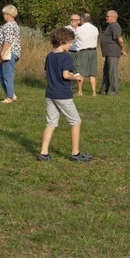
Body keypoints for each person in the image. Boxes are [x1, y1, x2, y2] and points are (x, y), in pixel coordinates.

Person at [37, 28, 93, 162]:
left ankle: (43, 153)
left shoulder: (49, 56)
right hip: (63, 95)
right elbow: (65, 75)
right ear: (62, 42)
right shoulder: (66, 57)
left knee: (51, 122)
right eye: (70, 42)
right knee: (76, 122)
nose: (71, 45)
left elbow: (45, 74)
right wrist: (76, 78)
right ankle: (76, 153)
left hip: (50, 94)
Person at [0, 5, 21, 103]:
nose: (3, 15)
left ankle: (9, 97)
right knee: (0, 74)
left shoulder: (9, 26)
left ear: (8, 14)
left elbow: (8, 40)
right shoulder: (13, 25)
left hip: (9, 53)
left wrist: (2, 53)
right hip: (11, 53)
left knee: (7, 75)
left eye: (4, 14)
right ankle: (11, 93)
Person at [99, 10, 127, 95]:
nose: (106, 18)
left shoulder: (115, 26)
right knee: (107, 71)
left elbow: (120, 39)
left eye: (107, 16)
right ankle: (104, 90)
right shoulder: (111, 26)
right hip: (108, 53)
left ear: (113, 17)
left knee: (112, 72)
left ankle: (114, 91)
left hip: (113, 53)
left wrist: (122, 49)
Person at [74, 13, 99, 96]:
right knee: (92, 72)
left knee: (81, 72)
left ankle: (80, 91)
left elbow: (74, 38)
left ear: (82, 20)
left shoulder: (79, 29)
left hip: (83, 51)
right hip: (93, 51)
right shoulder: (95, 29)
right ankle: (94, 92)